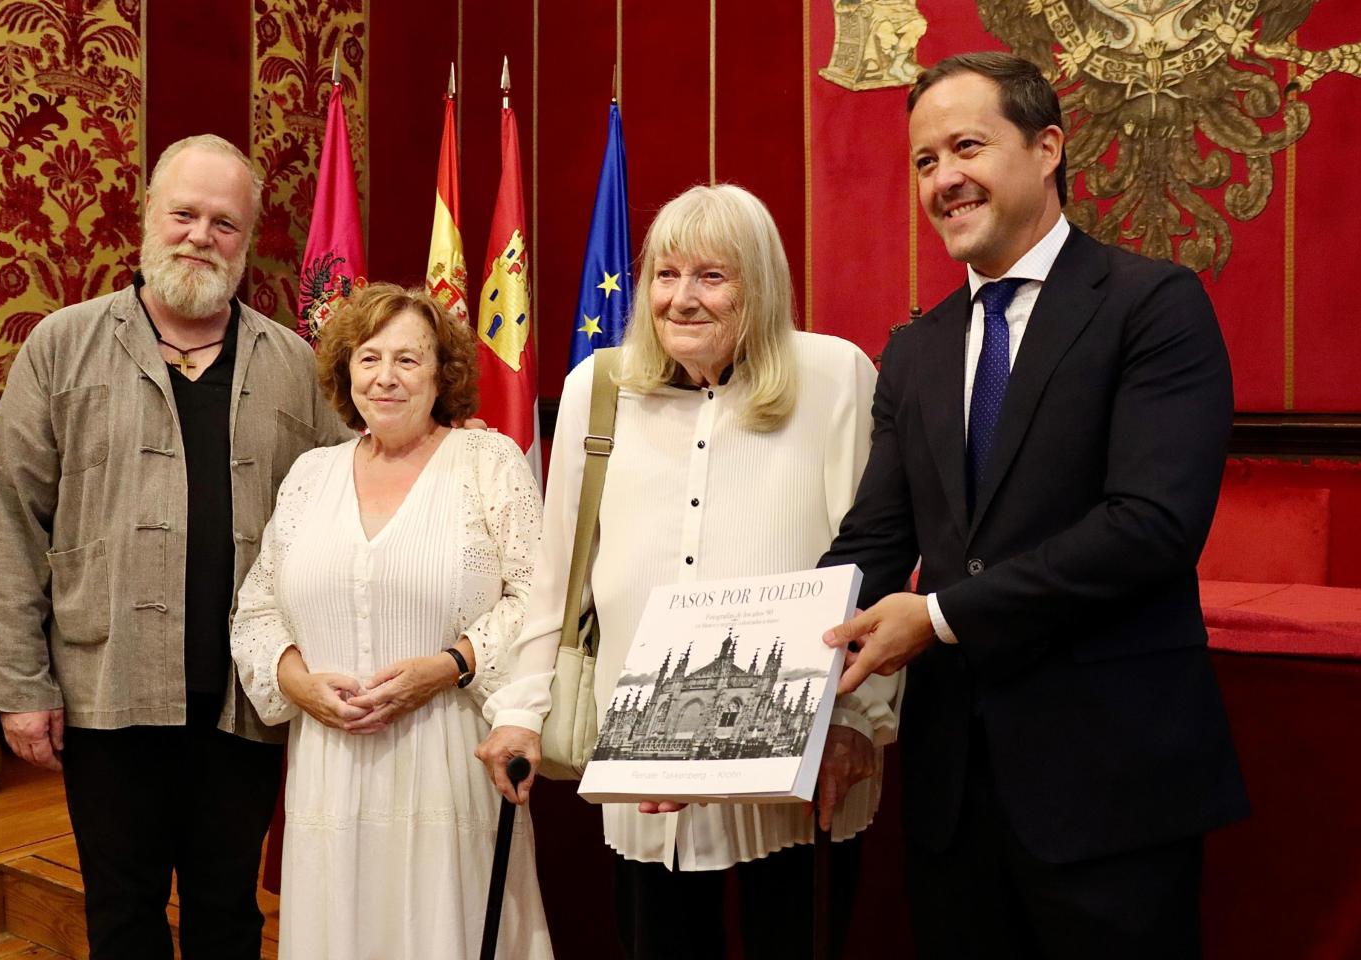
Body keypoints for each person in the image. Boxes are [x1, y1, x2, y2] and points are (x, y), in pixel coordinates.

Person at [819, 53, 1250, 957]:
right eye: (924, 161)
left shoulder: (1154, 305)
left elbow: (1152, 528)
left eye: (966, 146)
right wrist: (719, 730)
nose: (944, 179)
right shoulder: (914, 350)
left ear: (1047, 146)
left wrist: (936, 617)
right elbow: (869, 545)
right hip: (953, 798)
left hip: (1113, 790)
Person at [477, 183, 902, 960]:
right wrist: (520, 707)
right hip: (647, 754)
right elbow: (560, 569)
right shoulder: (596, 389)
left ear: (761, 286)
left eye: (713, 276)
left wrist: (858, 719)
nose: (682, 299)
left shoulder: (836, 376)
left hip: (800, 753)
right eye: (666, 276)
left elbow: (873, 557)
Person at [0, 134, 348, 958]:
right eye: (184, 213)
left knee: (229, 913)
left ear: (247, 244)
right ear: (147, 217)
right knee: (122, 911)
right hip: (106, 695)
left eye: (225, 224)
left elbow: (356, 500)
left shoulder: (294, 365)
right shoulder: (60, 346)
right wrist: (16, 685)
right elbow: (11, 520)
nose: (200, 236)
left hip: (243, 699)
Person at [229, 283, 553, 959]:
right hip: (329, 767)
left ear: (443, 373)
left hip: (450, 759)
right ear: (346, 372)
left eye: (409, 359)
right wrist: (298, 684)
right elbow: (258, 607)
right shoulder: (309, 476)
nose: (386, 377)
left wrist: (449, 665)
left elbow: (537, 600)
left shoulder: (487, 463)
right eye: (369, 358)